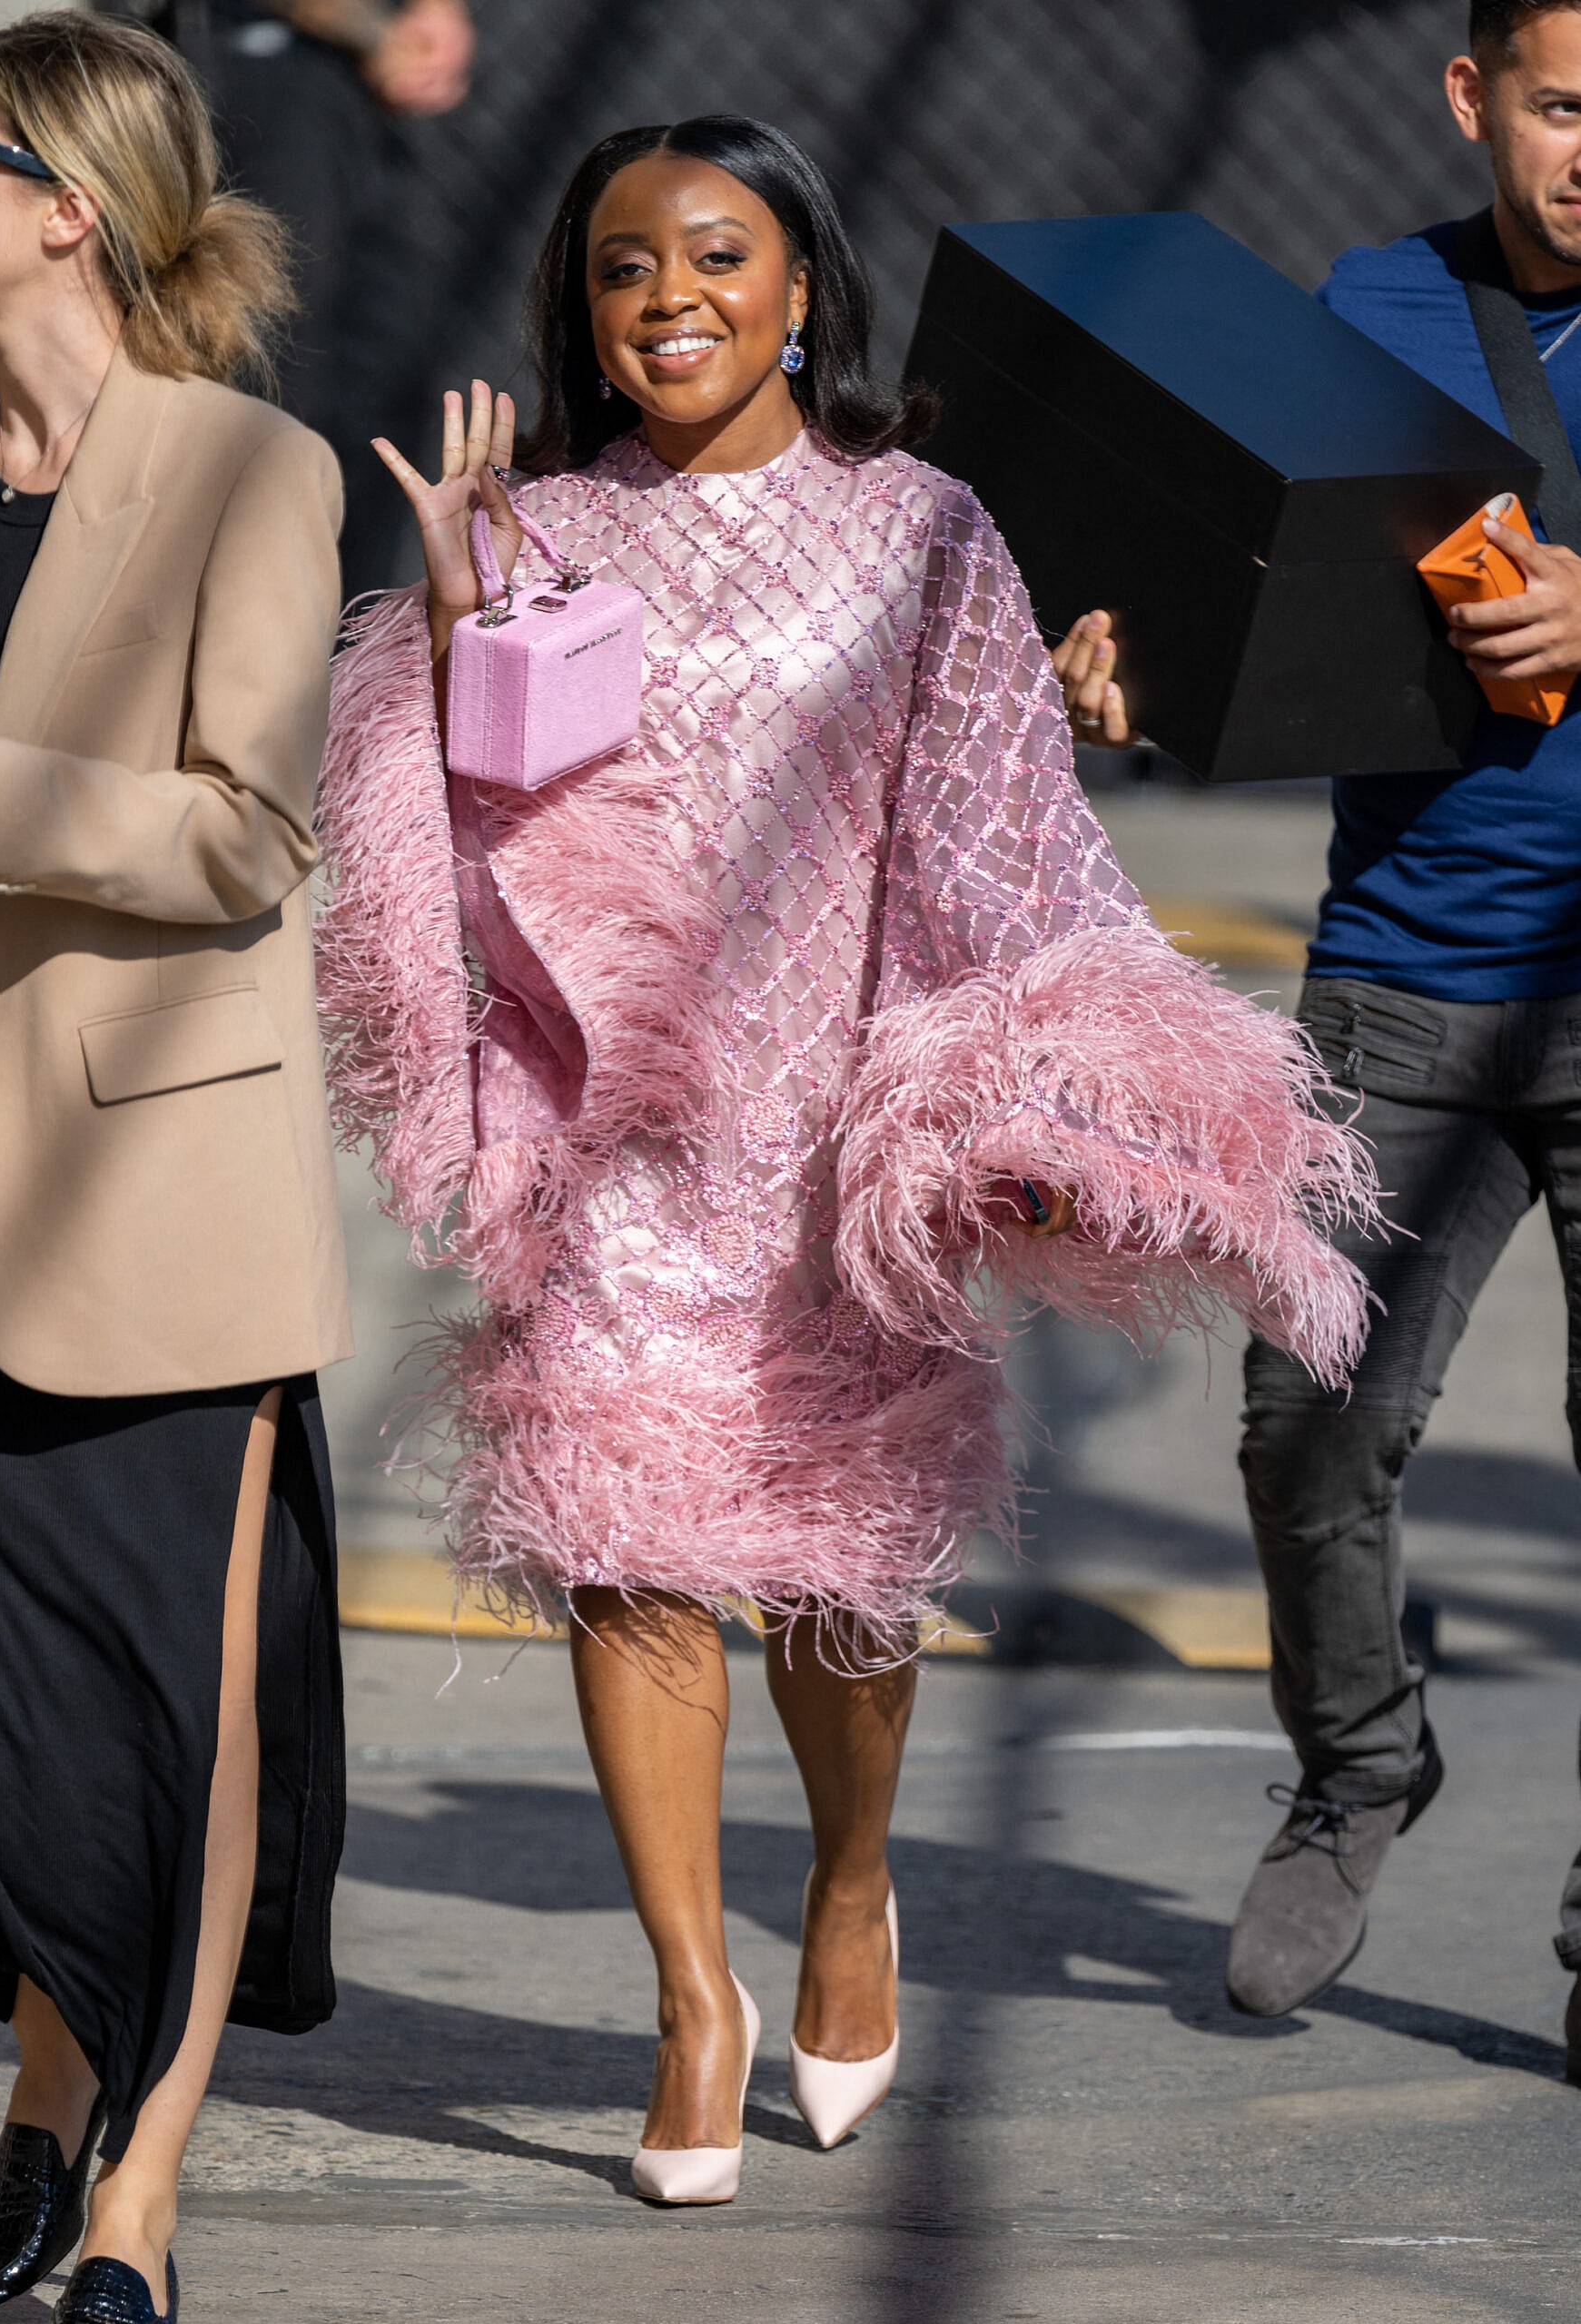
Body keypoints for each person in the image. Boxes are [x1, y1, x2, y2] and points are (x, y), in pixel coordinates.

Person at [317, 114, 1374, 2205]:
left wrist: (1034, 1100)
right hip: (626, 1128)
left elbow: (998, 844)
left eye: (716, 252)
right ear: (583, 312)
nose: (668, 296)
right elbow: (485, 844)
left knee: (844, 1568)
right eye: (623, 266)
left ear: (803, 285)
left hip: (839, 1130)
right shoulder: (537, 521)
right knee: (616, 1534)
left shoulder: (922, 530)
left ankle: (853, 1886)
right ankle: (693, 1992)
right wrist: (458, 627)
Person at [1056, 0, 1581, 2041]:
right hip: (1401, 966)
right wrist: (1138, 673)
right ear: (1470, 99)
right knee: (1301, 1422)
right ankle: (1359, 1758)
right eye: (1558, 105)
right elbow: (1263, 610)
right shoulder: (1373, 304)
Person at [0, 13, 351, 2318]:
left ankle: (135, 2189)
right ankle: (36, 2075)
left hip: (146, 1186)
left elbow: (253, 829)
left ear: (65, 204)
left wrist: (14, 798)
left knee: (163, 1712)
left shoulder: (247, 470)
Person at [104, 0, 476, 598]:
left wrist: (435, 15)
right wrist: (375, 29)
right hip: (244, 67)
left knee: (380, 402)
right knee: (270, 395)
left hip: (360, 97)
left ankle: (346, 668)